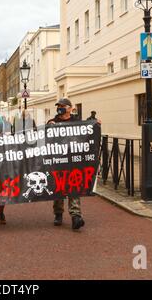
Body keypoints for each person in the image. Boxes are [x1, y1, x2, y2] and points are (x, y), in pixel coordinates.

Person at [47, 98, 85, 231]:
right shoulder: (53, 121)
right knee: (59, 187)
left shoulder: (77, 121)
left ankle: (76, 216)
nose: (60, 108)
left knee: (74, 186)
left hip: (73, 160)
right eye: (58, 106)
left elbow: (87, 132)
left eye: (62, 106)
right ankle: (58, 213)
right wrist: (49, 127)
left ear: (70, 108)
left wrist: (95, 124)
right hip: (58, 160)